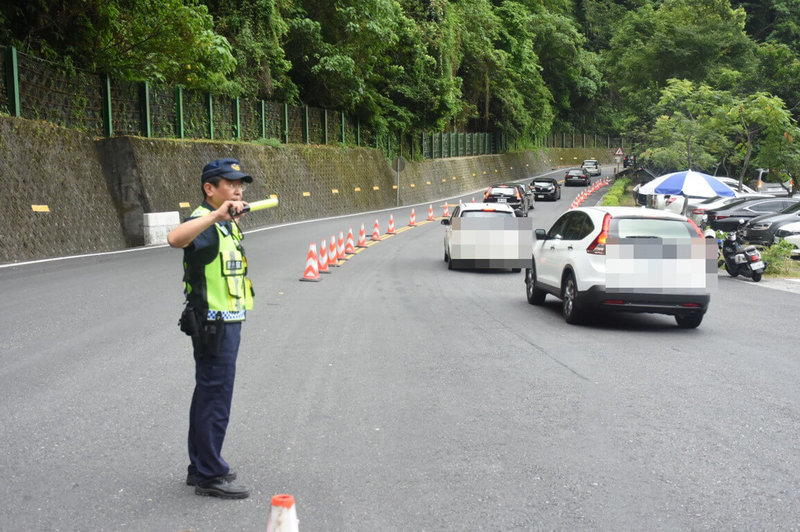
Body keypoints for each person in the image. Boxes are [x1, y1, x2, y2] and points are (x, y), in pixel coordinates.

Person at [167, 158, 254, 499]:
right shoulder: (205, 222)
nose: (238, 189)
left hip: (227, 320)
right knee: (215, 396)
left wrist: (223, 218)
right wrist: (216, 215)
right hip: (213, 324)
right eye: (230, 183)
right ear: (209, 189)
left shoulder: (225, 224)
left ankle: (200, 466)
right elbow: (174, 238)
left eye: (241, 184)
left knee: (209, 393)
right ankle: (208, 473)